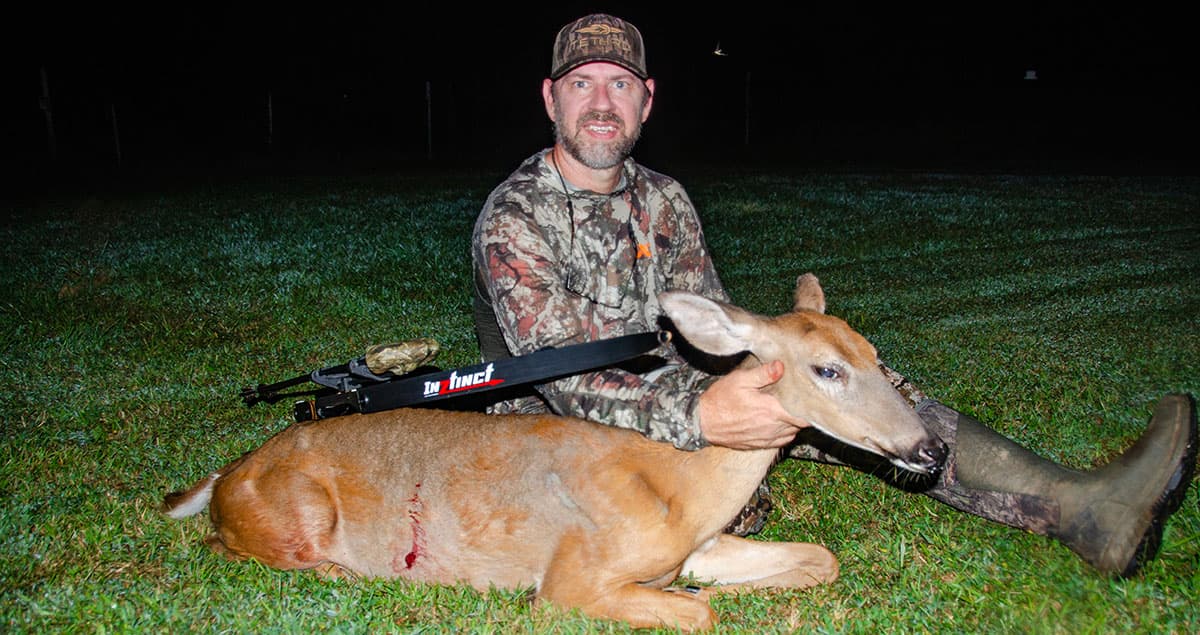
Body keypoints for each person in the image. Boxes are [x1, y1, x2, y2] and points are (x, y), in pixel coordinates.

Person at [470, 13, 1197, 577]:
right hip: (556, 437)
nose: (602, 103)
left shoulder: (665, 200)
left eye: (621, 84)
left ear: (646, 102)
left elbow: (703, 329)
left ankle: (1085, 508)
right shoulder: (515, 215)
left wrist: (783, 378)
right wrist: (703, 412)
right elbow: (560, 379)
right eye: (582, 84)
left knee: (843, 386)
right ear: (550, 98)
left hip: (673, 398)